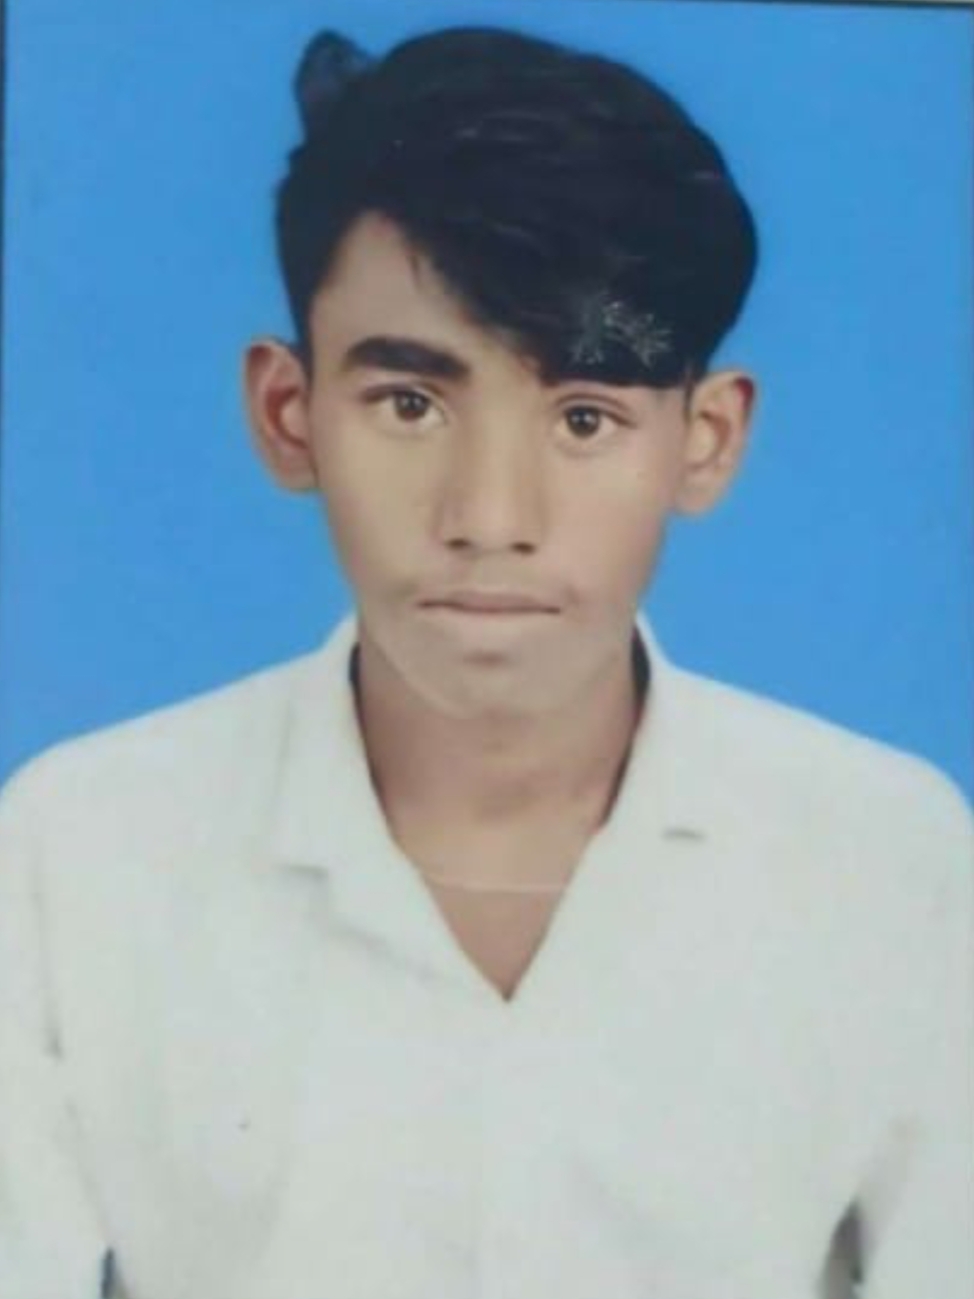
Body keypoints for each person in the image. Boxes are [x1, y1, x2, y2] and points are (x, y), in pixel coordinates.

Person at [0, 24, 971, 1299]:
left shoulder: (891, 861)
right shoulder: (74, 852)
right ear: (288, 414)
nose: (489, 515)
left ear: (705, 439)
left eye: (584, 416)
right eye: (410, 403)